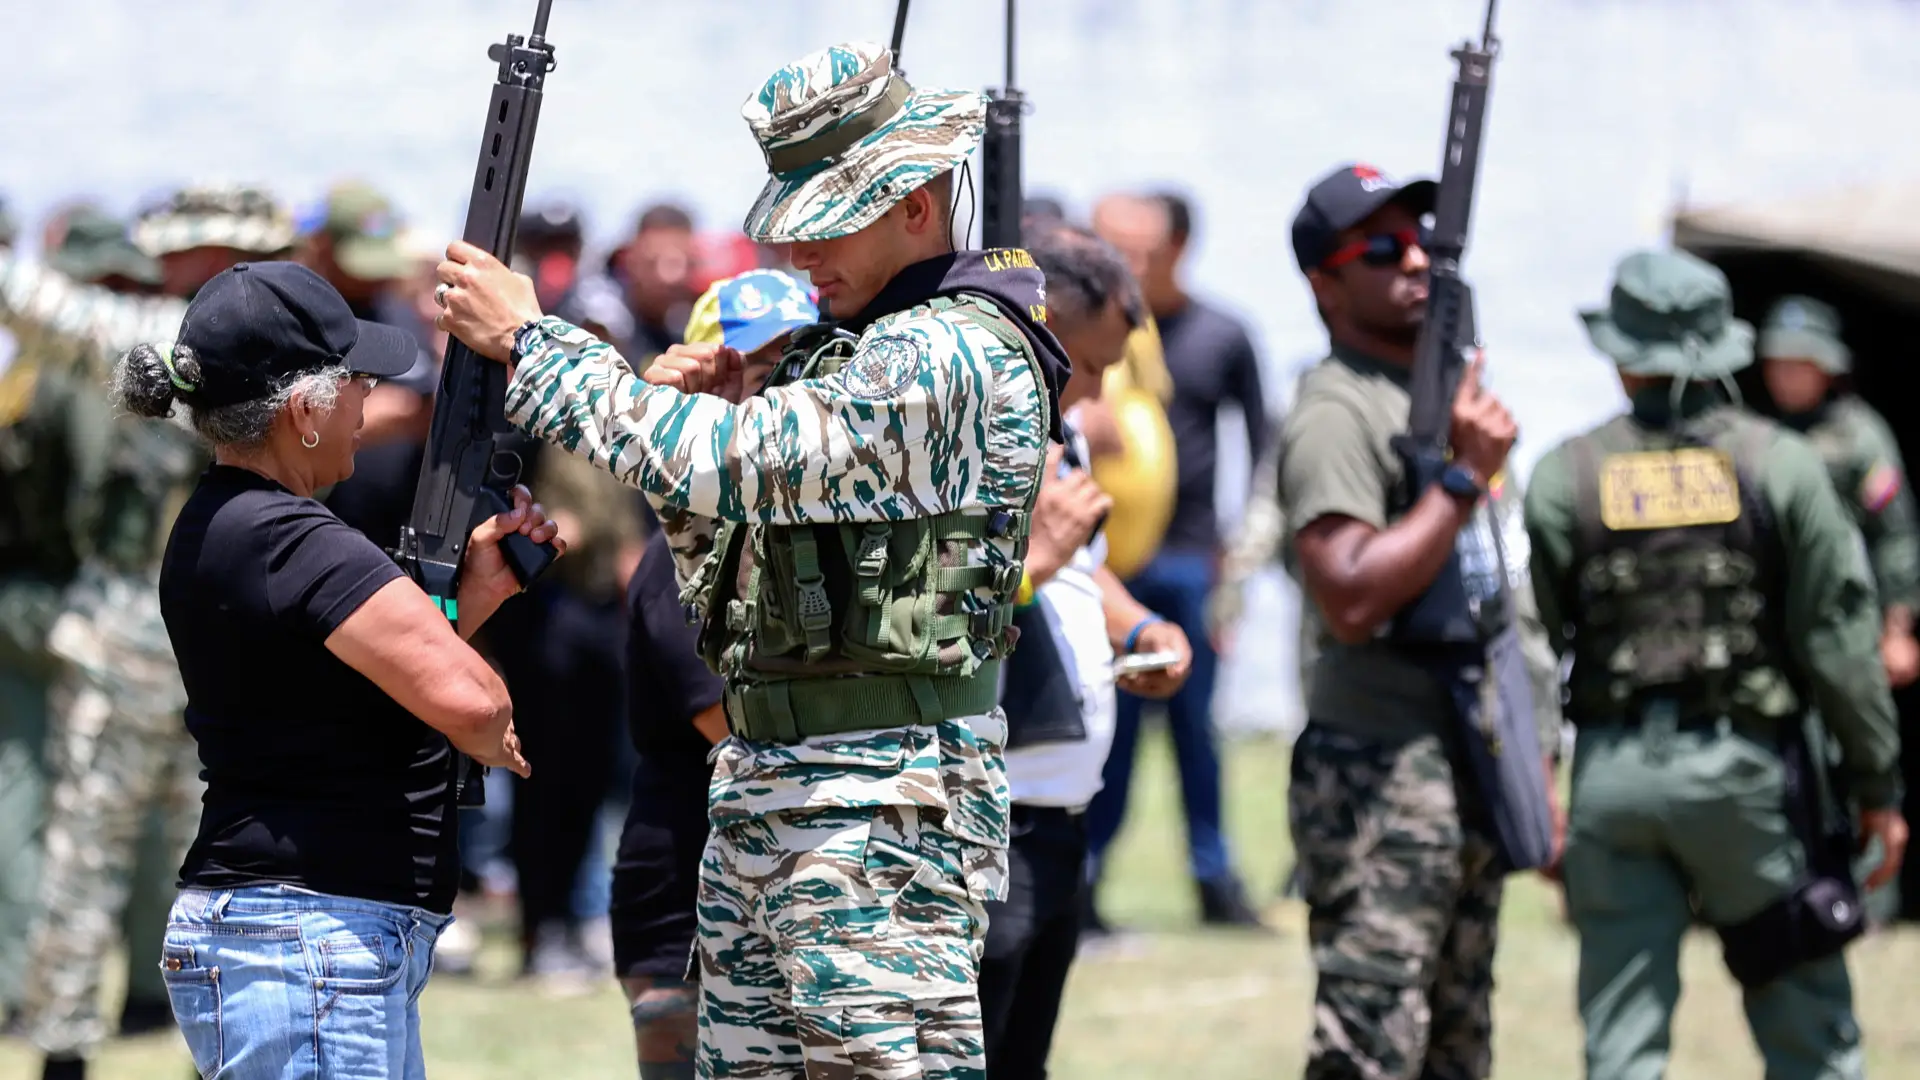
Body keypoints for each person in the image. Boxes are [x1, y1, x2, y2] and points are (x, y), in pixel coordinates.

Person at [433, 39, 1066, 1078]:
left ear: (915, 202)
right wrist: (698, 439)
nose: (800, 256)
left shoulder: (948, 349)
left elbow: (736, 462)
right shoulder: (857, 344)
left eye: (829, 222)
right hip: (774, 794)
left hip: (878, 814)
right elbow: (736, 577)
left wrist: (535, 344)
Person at [119, 260, 557, 1080]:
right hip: (307, 936)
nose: (369, 403)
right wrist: (484, 702)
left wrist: (463, 602)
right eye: (357, 382)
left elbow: (357, 684)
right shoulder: (290, 536)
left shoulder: (233, 525)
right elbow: (470, 702)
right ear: (303, 412)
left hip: (296, 936)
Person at [1525, 250, 1910, 1079]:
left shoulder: (1566, 476)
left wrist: (1538, 788)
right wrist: (1878, 789)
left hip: (1612, 785)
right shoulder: (1784, 465)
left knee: (1621, 1048)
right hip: (1748, 790)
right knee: (1810, 1036)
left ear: (1623, 356)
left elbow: (1531, 645)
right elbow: (1841, 646)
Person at [1275, 163, 1565, 1080]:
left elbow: (1496, 589)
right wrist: (1458, 479)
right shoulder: (1336, 409)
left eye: (1424, 245)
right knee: (1370, 1044)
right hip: (1381, 772)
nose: (1414, 261)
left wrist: (1537, 752)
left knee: (1458, 1040)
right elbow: (1350, 597)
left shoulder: (1446, 397)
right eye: (1381, 248)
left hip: (1468, 757)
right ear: (1326, 283)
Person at [979, 225, 1193, 1078]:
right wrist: (1034, 558)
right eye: (1094, 363)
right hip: (998, 811)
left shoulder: (1058, 431)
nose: (1102, 393)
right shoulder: (979, 431)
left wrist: (1140, 629)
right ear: (1044, 321)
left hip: (1059, 813)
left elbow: (1082, 578)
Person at [612, 268, 818, 1080]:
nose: (773, 401)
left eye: (796, 372)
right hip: (689, 899)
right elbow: (741, 730)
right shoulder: (679, 562)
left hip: (785, 886)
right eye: (751, 376)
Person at [1087, 189, 1267, 928]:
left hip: (1193, 560)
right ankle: (1088, 881)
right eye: (1113, 250)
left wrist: (1242, 559)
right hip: (1110, 565)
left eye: (1143, 253)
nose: (1129, 266)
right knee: (1109, 736)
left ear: (1178, 251)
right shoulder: (1096, 330)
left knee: (1199, 734)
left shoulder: (1222, 335)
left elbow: (1264, 447)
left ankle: (1214, 879)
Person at [1758, 295, 1920, 692]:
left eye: (1799, 365)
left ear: (1827, 369)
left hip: (1844, 620)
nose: (1785, 376)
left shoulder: (1861, 438)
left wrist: (1896, 628)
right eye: (1778, 364)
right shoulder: (1760, 436)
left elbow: (1894, 534)